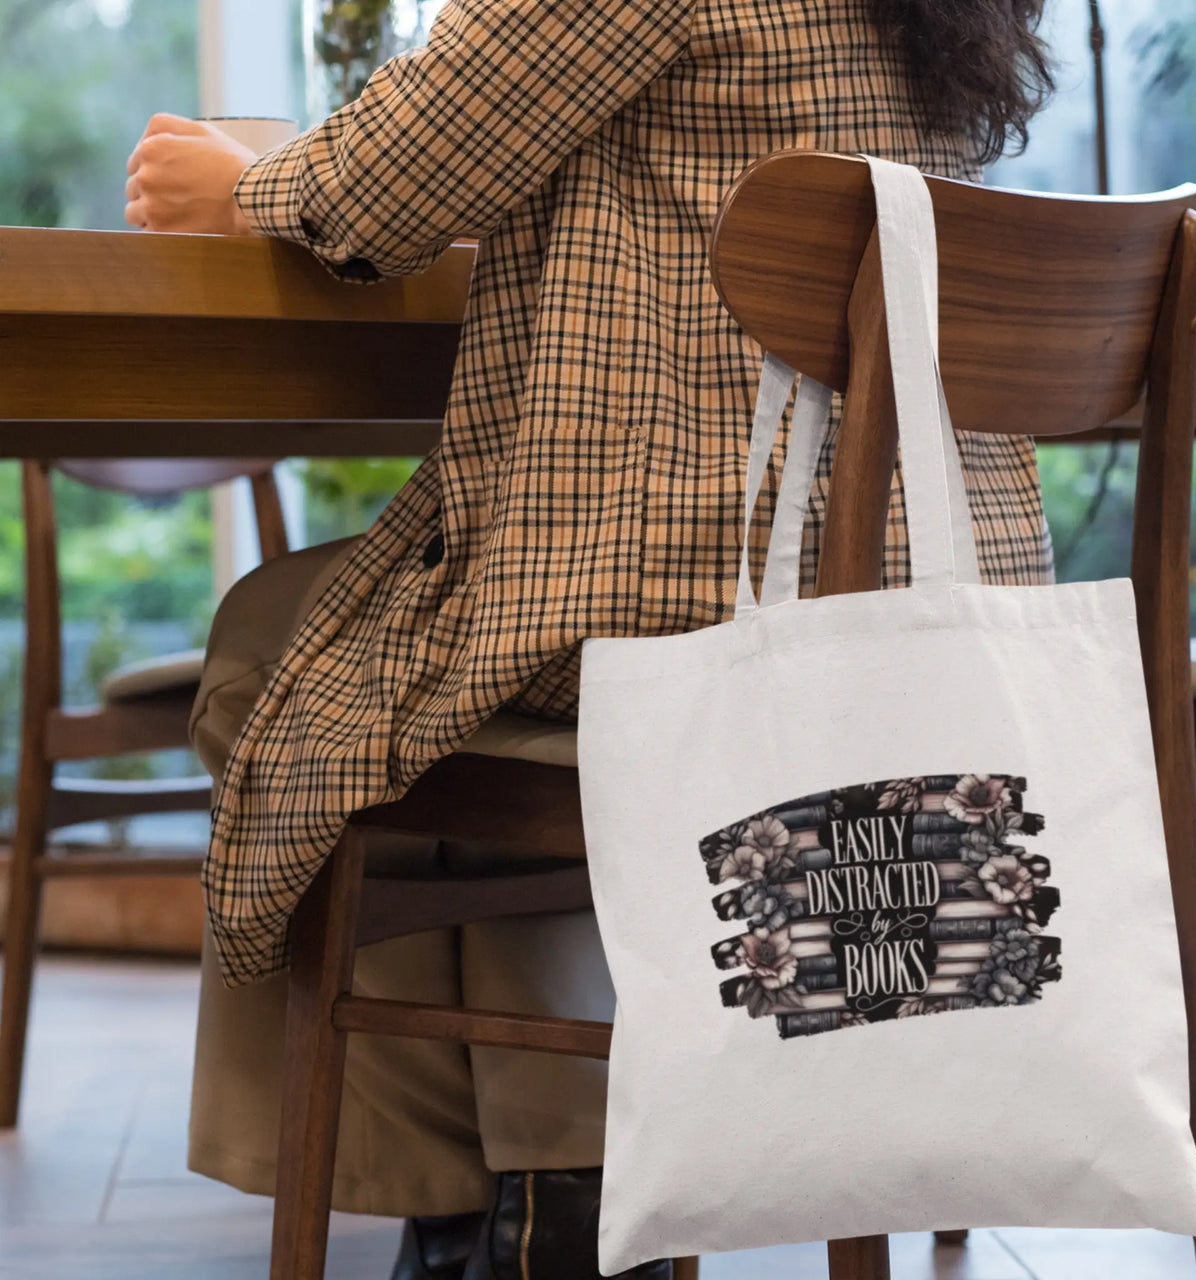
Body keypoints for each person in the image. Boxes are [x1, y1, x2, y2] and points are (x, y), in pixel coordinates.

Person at [125, 2, 1054, 1277]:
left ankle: (492, 1197)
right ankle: (539, 1187)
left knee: (285, 648)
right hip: (900, 606)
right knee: (440, 653)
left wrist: (245, 184)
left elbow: (393, 177)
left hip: (691, 581)